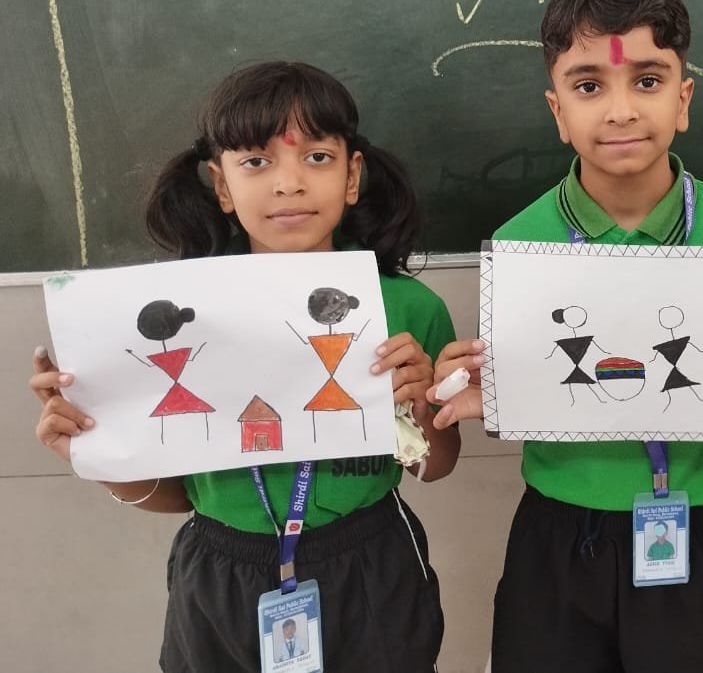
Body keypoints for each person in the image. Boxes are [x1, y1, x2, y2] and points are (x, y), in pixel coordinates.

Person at [429, 0, 703, 672]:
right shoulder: (521, 249)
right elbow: (509, 384)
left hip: (697, 528)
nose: (620, 110)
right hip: (557, 534)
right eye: (589, 86)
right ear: (557, 110)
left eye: (647, 80)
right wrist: (477, 386)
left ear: (684, 100)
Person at [30, 61, 475, 671]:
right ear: (221, 185)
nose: (288, 184)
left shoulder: (407, 308)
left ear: (352, 176)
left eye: (316, 157)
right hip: (221, 572)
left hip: (372, 565)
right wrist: (98, 451)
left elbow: (434, 467)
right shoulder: (177, 320)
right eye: (257, 162)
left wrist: (424, 407)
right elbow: (175, 497)